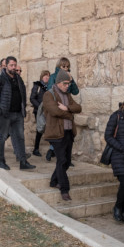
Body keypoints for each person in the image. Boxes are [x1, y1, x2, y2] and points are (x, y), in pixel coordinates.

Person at [0, 56, 36, 171]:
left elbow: (23, 95)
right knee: (1, 137)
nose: (13, 67)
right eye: (11, 65)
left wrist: (23, 109)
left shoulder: (18, 79)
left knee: (20, 137)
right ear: (6, 66)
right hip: (5, 114)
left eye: (15, 65)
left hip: (17, 114)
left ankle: (23, 162)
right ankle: (1, 161)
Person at [43, 70, 81, 200]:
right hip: (56, 133)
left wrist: (67, 108)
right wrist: (69, 114)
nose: (67, 86)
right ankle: (64, 189)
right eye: (65, 83)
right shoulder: (49, 94)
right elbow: (55, 111)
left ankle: (54, 181)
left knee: (67, 161)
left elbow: (78, 107)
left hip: (69, 132)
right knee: (62, 160)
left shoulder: (68, 95)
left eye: (68, 84)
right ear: (58, 82)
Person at [45, 58, 79, 161]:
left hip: (66, 106)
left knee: (65, 136)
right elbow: (51, 91)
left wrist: (71, 81)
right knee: (58, 132)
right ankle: (53, 151)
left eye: (67, 67)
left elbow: (75, 92)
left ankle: (61, 157)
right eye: (63, 66)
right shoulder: (53, 76)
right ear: (59, 66)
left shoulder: (69, 78)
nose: (66, 68)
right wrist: (69, 114)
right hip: (58, 108)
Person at [30, 70, 50, 157]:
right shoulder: (37, 85)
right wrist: (40, 108)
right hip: (38, 111)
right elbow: (32, 98)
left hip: (48, 111)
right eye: (45, 76)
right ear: (42, 77)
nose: (46, 77)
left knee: (50, 129)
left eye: (48, 76)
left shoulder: (50, 87)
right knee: (40, 130)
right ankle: (36, 149)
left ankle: (52, 150)